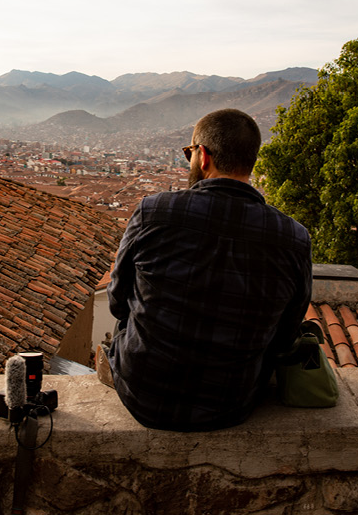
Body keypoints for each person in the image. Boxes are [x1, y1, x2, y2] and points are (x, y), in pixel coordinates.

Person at [104, 108, 312, 431]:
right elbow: (285, 335)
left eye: (189, 152)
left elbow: (117, 303)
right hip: (231, 403)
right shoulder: (293, 239)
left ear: (203, 156)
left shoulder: (153, 213)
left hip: (143, 394)